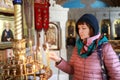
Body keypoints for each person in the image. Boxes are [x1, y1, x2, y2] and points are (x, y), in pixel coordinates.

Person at [49, 14, 120, 80]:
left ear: (92, 29)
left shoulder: (105, 48)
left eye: (83, 28)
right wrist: (58, 60)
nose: (80, 31)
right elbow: (71, 69)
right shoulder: (78, 46)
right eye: (78, 28)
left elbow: (116, 75)